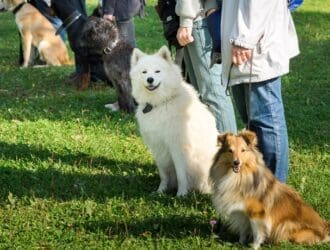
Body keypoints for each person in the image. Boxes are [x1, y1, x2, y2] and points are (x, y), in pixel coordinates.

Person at [206, 0, 300, 182]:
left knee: (266, 122)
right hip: (238, 38)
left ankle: (275, 191)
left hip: (253, 41)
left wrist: (245, 38)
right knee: (254, 124)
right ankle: (258, 184)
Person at [175, 0, 237, 133]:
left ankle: (230, 151)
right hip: (200, 17)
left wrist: (186, 20)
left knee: (213, 95)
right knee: (203, 96)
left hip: (198, 19)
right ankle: (216, 149)